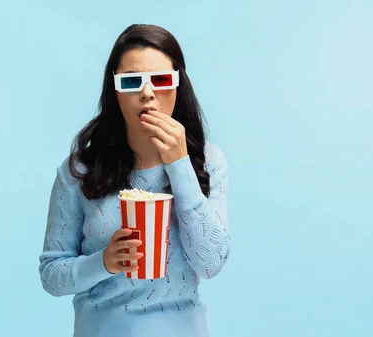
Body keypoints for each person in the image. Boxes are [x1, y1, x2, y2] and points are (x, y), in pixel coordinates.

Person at [39, 23, 231, 337]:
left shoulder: (208, 161)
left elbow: (211, 263)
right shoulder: (81, 169)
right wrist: (104, 262)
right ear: (114, 91)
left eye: (161, 80)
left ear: (178, 85)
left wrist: (179, 164)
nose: (147, 93)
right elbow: (51, 275)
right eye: (131, 81)